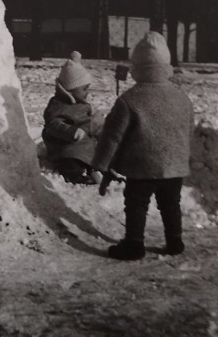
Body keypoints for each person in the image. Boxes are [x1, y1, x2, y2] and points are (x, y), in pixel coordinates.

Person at [92, 32, 194, 260]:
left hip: (142, 166)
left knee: (137, 204)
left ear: (136, 66)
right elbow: (189, 131)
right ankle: (175, 241)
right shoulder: (182, 98)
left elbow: (112, 136)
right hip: (174, 166)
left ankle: (134, 244)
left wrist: (101, 164)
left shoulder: (130, 99)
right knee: (170, 204)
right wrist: (183, 158)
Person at [42, 51, 103, 185]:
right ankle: (74, 174)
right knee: (70, 160)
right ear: (70, 90)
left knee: (99, 152)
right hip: (64, 146)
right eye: (84, 89)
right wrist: (70, 131)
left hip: (83, 145)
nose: (88, 93)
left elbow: (91, 123)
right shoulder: (58, 105)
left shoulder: (83, 105)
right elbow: (53, 124)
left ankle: (99, 169)